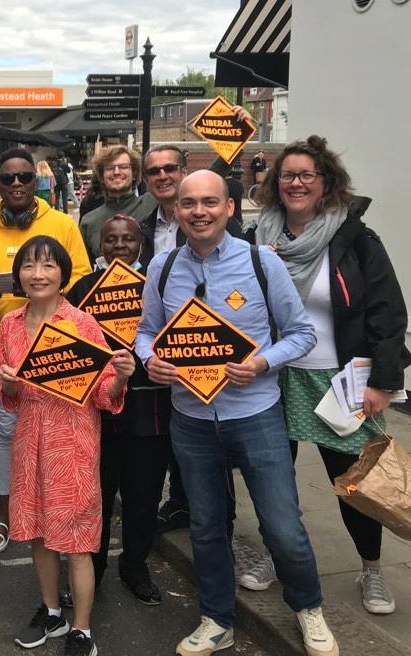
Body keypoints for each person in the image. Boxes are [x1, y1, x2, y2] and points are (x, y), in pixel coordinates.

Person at [136, 170, 339, 656]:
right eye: (189, 203)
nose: (199, 211)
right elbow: (146, 331)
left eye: (210, 202)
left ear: (230, 207)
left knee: (282, 526)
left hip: (257, 415)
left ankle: (308, 607)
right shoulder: (162, 267)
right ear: (177, 210)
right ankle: (216, 618)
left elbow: (301, 334)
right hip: (191, 421)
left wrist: (263, 361)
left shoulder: (261, 264)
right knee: (206, 527)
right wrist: (151, 359)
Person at [239, 136, 409, 616]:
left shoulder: (355, 238)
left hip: (340, 379)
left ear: (325, 183)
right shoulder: (259, 239)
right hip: (275, 376)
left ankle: (372, 570)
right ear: (276, 184)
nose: (295, 183)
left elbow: (388, 313)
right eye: (287, 176)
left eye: (305, 175)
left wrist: (382, 381)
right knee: (274, 481)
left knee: (354, 482)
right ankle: (281, 557)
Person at [0, 235, 134, 656]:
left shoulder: (81, 325)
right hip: (29, 438)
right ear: (19, 274)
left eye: (48, 265)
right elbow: (2, 391)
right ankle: (52, 611)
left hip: (72, 440)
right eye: (30, 265)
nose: (38, 274)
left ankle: (82, 630)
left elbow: (104, 392)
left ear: (63, 273)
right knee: (38, 531)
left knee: (76, 541)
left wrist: (122, 376)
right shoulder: (10, 325)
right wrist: (8, 383)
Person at [0, 147, 92, 555]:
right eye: (9, 178)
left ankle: (60, 515)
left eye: (26, 177)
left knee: (59, 439)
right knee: (7, 437)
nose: (18, 184)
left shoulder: (61, 223)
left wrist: (45, 293)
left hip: (59, 351)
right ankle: (6, 512)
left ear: (37, 182)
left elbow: (81, 279)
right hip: (4, 345)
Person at [138, 145, 243, 534]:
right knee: (177, 439)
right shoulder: (144, 223)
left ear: (182, 170)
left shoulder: (218, 221)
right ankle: (184, 503)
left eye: (169, 168)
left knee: (215, 454)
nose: (162, 175)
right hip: (166, 353)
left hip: (217, 357)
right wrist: (149, 355)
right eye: (153, 171)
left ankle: (217, 516)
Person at [66, 215, 170, 606]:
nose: (120, 246)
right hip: (98, 414)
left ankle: (135, 566)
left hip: (151, 409)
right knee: (96, 497)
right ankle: (92, 568)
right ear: (100, 246)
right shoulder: (82, 289)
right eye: (112, 240)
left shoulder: (156, 287)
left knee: (143, 496)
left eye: (128, 239)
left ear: (141, 243)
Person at [79, 145, 158, 260]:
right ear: (101, 176)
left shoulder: (152, 203)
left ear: (134, 174)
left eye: (123, 167)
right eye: (110, 168)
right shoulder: (89, 222)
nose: (116, 172)